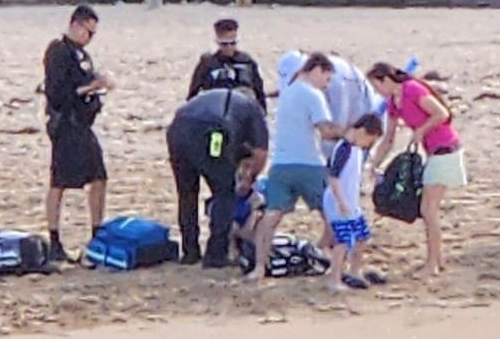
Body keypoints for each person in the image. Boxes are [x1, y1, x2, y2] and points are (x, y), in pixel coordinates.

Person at [247, 53, 344, 282]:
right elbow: (326, 130)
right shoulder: (313, 95)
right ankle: (333, 261)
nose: (326, 84)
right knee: (332, 212)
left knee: (272, 215)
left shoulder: (287, 92)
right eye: (327, 79)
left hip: (281, 163)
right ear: (317, 70)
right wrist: (348, 133)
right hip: (309, 162)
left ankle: (259, 266)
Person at [367, 62, 465, 277]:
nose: (378, 93)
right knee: (428, 209)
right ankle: (436, 259)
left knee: (428, 209)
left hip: (445, 148)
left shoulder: (412, 89)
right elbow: (388, 138)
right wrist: (374, 163)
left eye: (377, 87)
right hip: (433, 152)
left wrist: (421, 130)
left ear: (385, 80)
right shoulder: (394, 102)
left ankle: (432, 264)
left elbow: (441, 113)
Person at [165, 86, 269, 268]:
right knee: (225, 192)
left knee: (187, 193)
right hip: (213, 131)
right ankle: (216, 255)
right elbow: (260, 153)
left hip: (177, 128)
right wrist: (249, 180)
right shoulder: (253, 108)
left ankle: (190, 252)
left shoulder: (217, 98)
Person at [41, 4, 114, 262]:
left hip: (83, 123)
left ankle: (97, 232)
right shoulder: (58, 52)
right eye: (88, 32)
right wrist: (90, 86)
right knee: (59, 182)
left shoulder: (81, 54)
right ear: (75, 25)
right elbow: (58, 93)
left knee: (98, 177)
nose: (89, 38)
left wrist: (98, 85)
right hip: (65, 123)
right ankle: (54, 238)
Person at [323, 114, 386, 291]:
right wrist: (341, 202)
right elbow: (334, 177)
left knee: (362, 235)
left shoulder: (356, 150)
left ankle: (355, 270)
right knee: (342, 241)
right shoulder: (344, 149)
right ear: (363, 132)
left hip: (350, 201)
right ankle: (334, 278)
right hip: (339, 201)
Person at [187, 18, 266, 101]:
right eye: (224, 44)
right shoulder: (207, 63)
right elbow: (193, 95)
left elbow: (259, 93)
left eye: (233, 43)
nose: (229, 47)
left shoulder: (247, 62)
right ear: (217, 42)